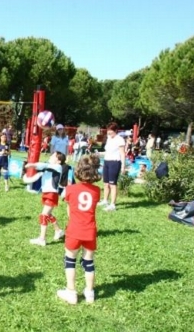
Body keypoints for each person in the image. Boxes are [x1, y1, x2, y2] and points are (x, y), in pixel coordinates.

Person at [57, 154, 101, 305]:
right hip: (90, 230)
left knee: (70, 260)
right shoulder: (97, 191)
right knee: (89, 262)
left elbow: (68, 207)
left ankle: (71, 292)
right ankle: (90, 292)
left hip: (74, 230)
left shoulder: (70, 189)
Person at [25, 151, 66, 246]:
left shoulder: (57, 167)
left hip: (51, 194)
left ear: (59, 161)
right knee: (49, 214)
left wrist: (32, 165)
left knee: (43, 215)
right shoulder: (48, 166)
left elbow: (44, 166)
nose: (50, 156)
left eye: (53, 156)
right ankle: (58, 230)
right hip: (47, 193)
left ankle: (42, 239)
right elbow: (41, 169)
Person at [99, 122, 126, 212]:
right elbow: (107, 151)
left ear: (115, 131)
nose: (109, 134)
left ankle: (112, 204)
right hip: (106, 161)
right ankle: (105, 200)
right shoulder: (109, 139)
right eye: (108, 132)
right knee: (106, 183)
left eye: (111, 132)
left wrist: (123, 166)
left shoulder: (120, 139)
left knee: (112, 184)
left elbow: (122, 153)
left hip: (115, 163)